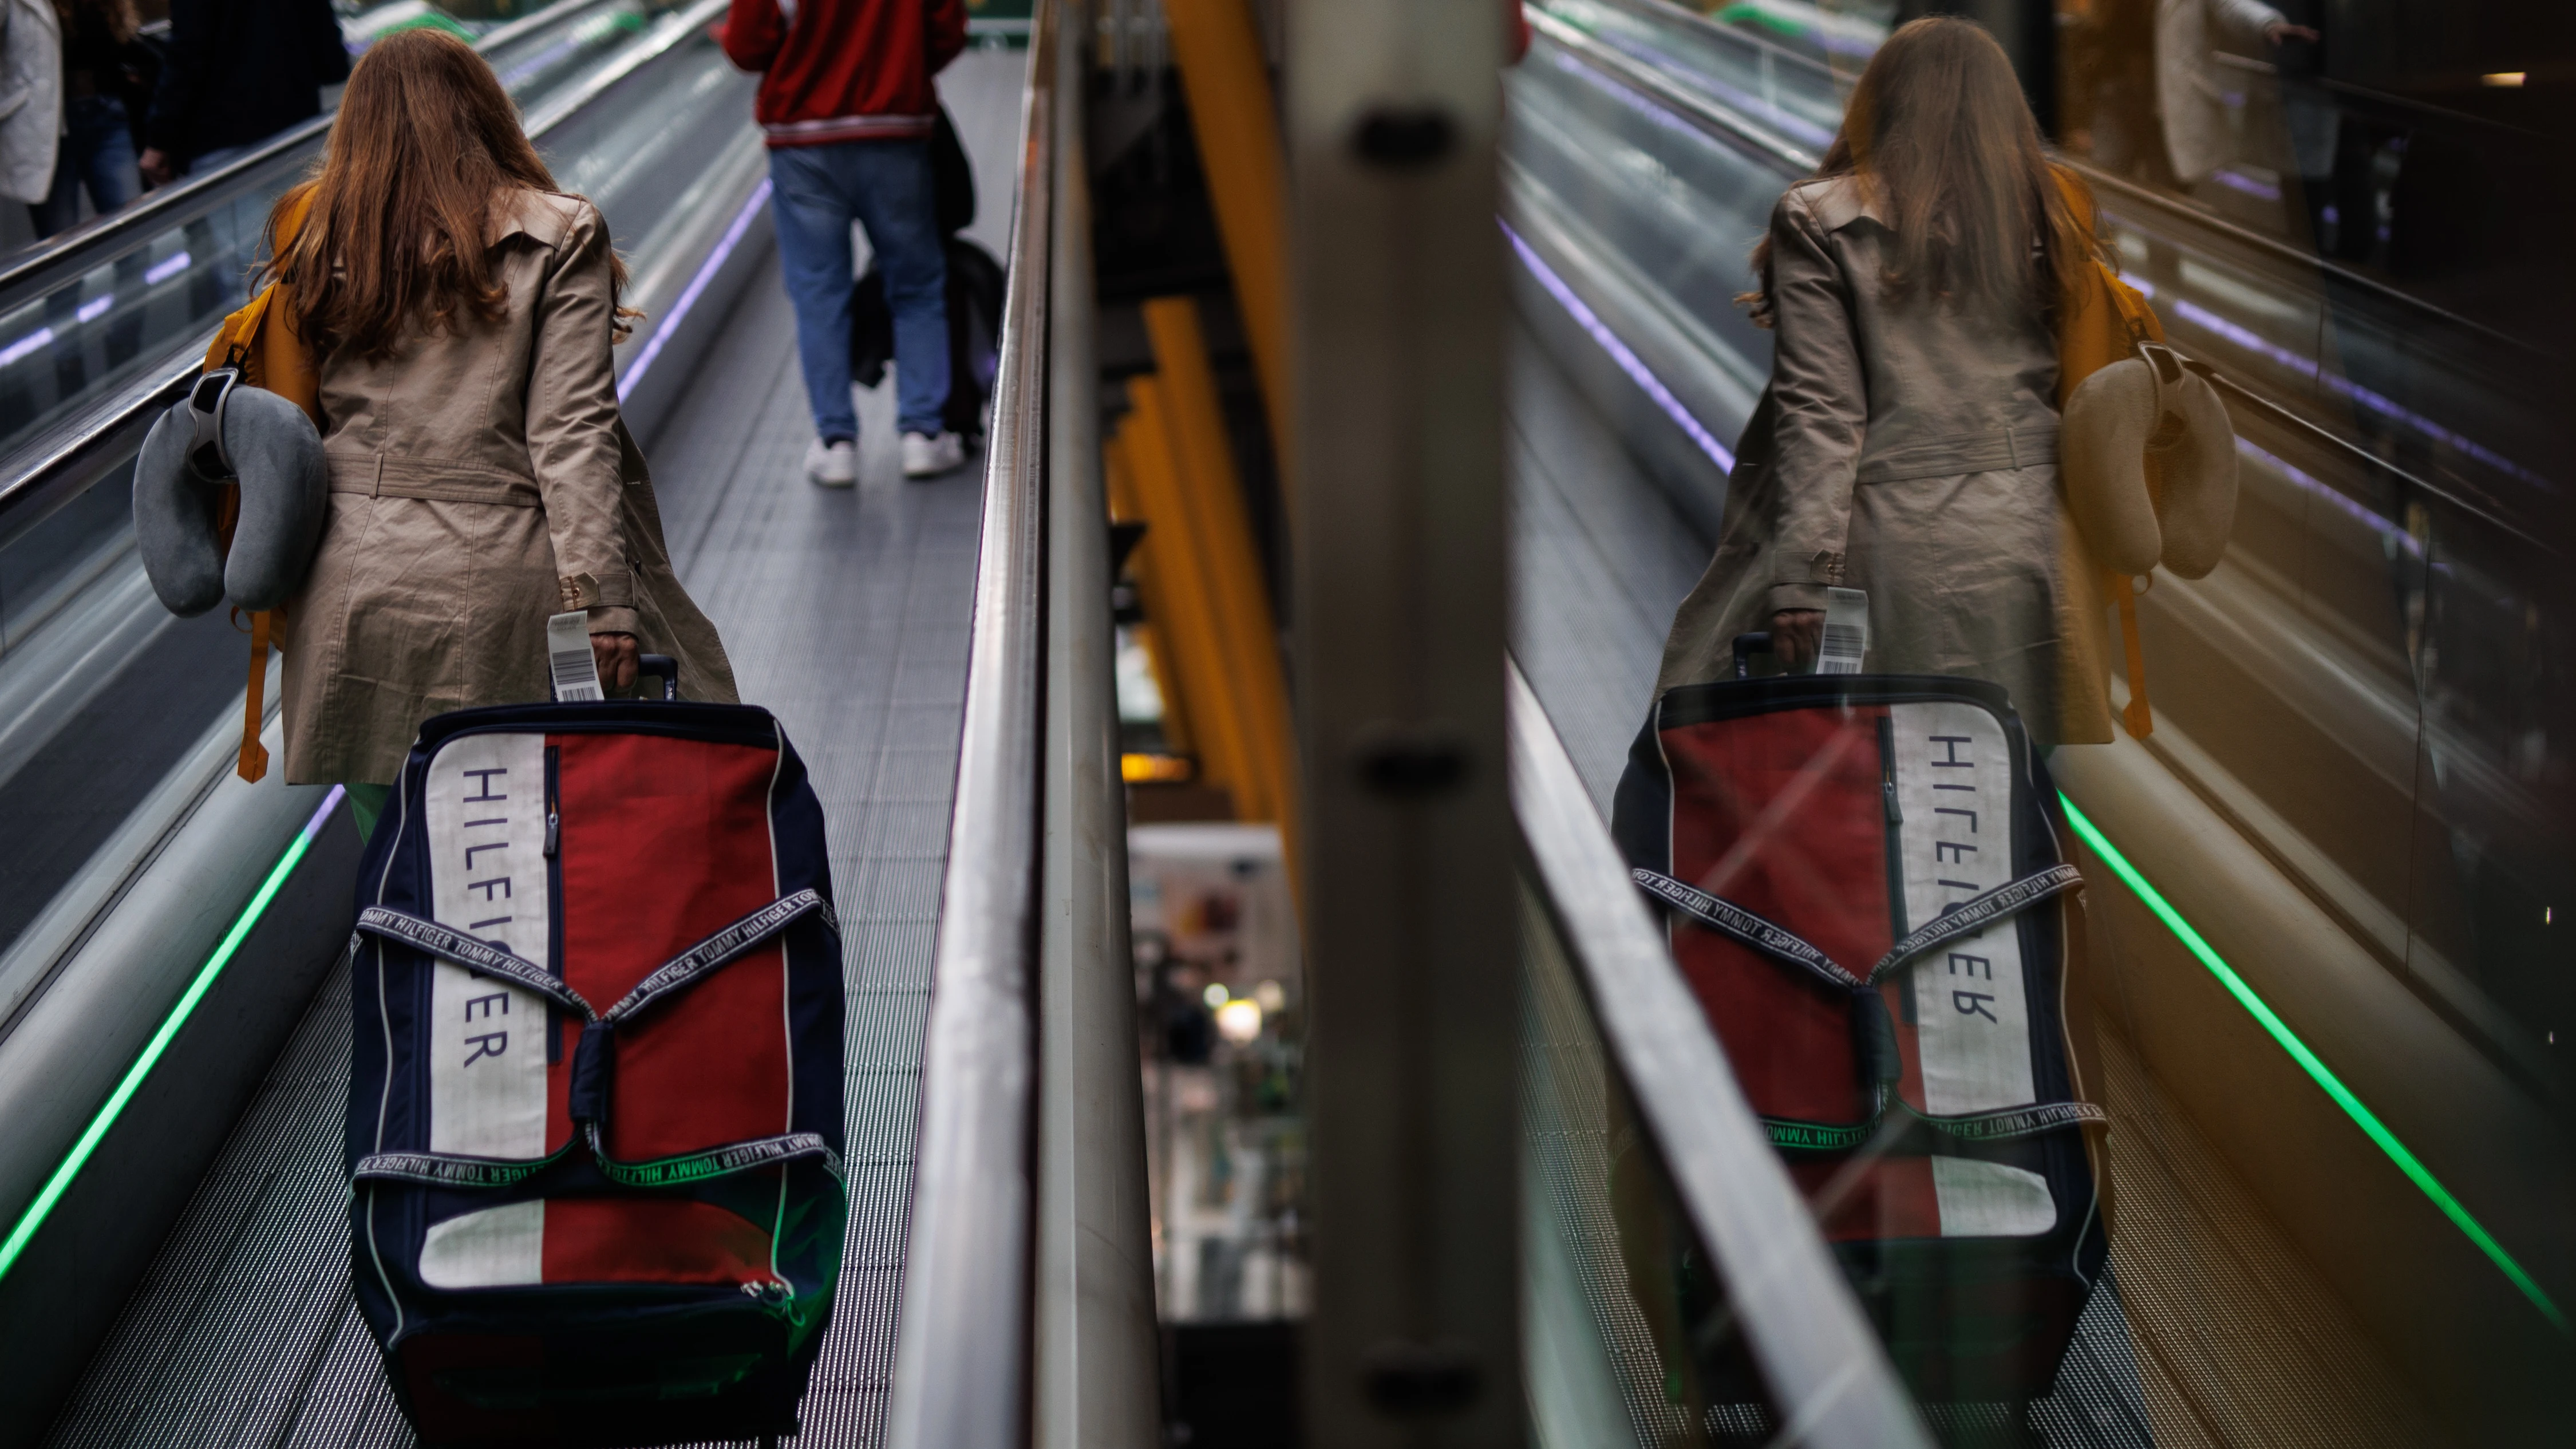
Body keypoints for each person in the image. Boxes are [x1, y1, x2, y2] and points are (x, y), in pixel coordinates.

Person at [263, 29, 736, 837]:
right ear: (486, 112)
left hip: (348, 594)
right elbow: (571, 431)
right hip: (495, 592)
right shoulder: (558, 231)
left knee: (397, 878)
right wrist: (602, 603)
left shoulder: (311, 239)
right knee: (506, 878)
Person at [1645, 17, 2116, 744]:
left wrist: (1803, 577)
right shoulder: (2057, 211)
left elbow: (1823, 410)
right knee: (2009, 782)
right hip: (2032, 545)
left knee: (1895, 796)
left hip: (1901, 552)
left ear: (1879, 105)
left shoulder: (1822, 216)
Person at [722, 0, 969, 487]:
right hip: (895, 132)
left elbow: (747, 46)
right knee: (917, 285)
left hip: (803, 143)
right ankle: (923, 433)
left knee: (819, 293)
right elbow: (946, 31)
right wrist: (896, 70)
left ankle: (836, 444)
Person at [138, 0, 346, 185]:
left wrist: (160, 138)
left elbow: (189, 50)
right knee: (310, 216)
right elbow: (319, 22)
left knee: (249, 223)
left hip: (225, 136)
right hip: (296, 114)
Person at [31, 0, 141, 235]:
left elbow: (120, 40)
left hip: (106, 110)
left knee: (130, 228)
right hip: (49, 122)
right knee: (59, 239)